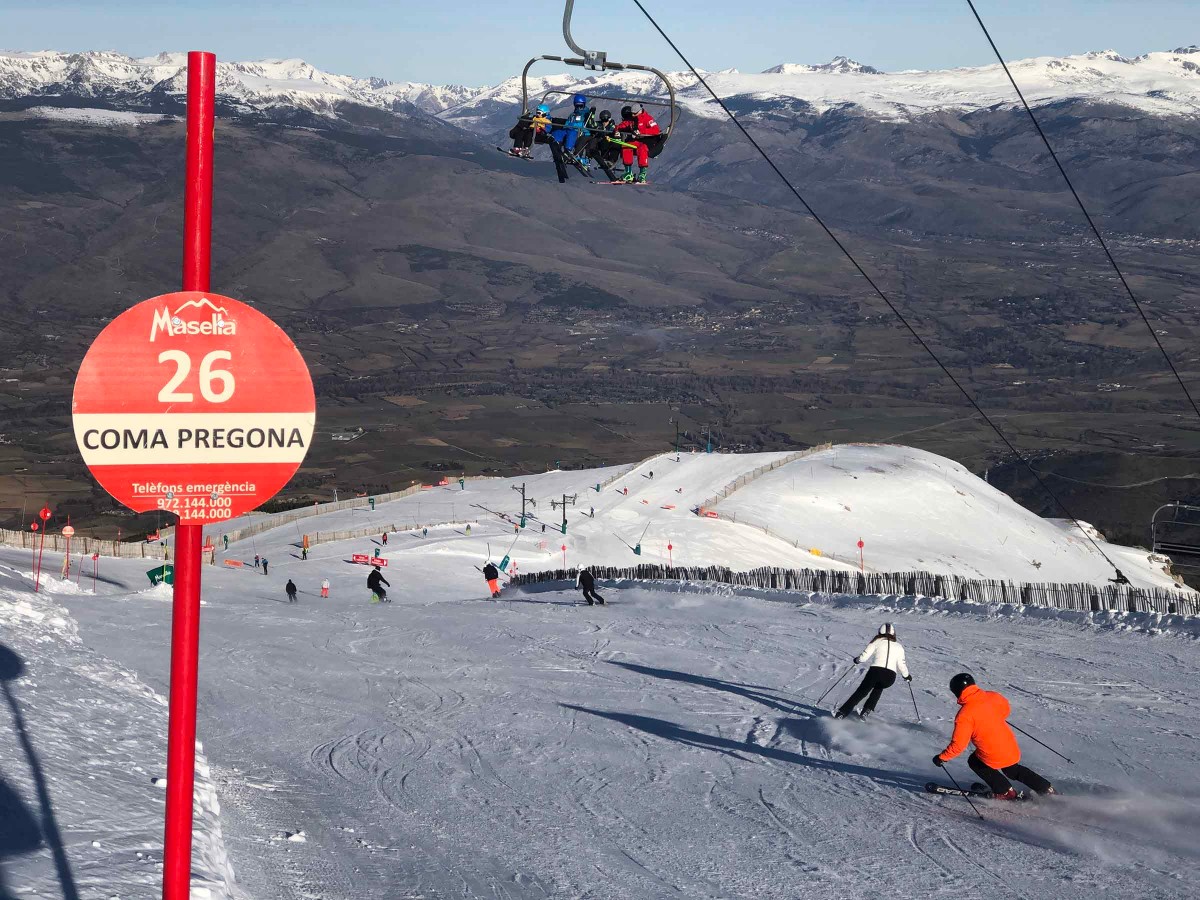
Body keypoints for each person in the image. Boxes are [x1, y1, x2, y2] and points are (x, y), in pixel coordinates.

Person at [933, 674, 1056, 800]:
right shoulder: (992, 696)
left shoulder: (965, 715)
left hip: (992, 753)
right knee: (1012, 769)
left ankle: (1004, 791)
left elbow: (959, 745)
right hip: (1010, 746)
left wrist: (942, 757)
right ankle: (1046, 788)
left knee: (975, 762)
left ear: (957, 692)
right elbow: (1005, 708)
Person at [835, 623, 910, 720]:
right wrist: (906, 676)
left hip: (875, 672)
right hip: (890, 677)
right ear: (893, 633)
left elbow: (863, 658)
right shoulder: (899, 647)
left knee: (861, 692)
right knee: (878, 688)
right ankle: (866, 710)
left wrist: (857, 660)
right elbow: (902, 665)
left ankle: (842, 713)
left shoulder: (876, 641)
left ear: (880, 631)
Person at [615, 104, 664, 184]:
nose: (633, 115)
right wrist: (617, 130)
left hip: (648, 141)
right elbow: (623, 125)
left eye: (634, 113)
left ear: (639, 112)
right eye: (632, 114)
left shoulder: (647, 119)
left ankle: (642, 174)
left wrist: (641, 132)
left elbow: (655, 130)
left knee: (642, 148)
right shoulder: (632, 119)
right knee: (626, 146)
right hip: (638, 140)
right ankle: (628, 172)